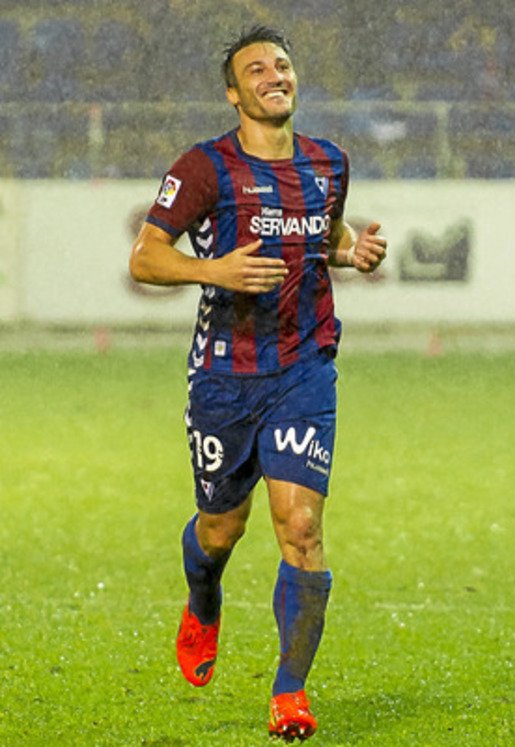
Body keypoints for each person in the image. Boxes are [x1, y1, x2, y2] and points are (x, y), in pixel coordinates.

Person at [130, 25, 387, 742]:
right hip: (223, 377)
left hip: (305, 367)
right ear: (232, 93)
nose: (274, 75)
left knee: (301, 527)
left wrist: (352, 252)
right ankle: (203, 599)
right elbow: (145, 258)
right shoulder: (205, 166)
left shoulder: (328, 162)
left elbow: (323, 234)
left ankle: (289, 691)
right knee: (221, 528)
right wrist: (214, 269)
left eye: (282, 64)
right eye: (256, 69)